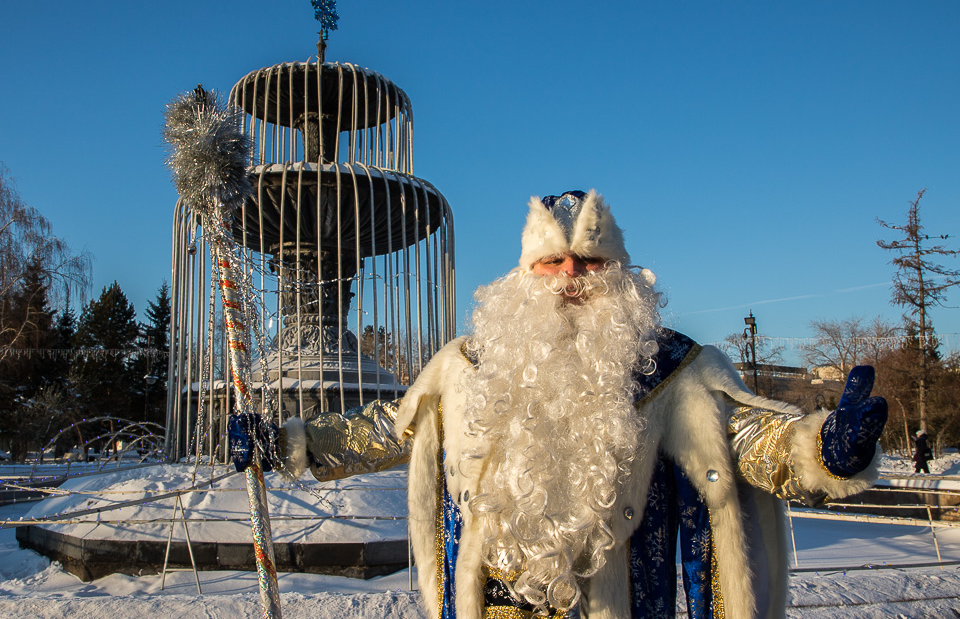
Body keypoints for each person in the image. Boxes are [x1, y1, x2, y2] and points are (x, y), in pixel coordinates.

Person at [233, 190, 887, 619]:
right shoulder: (467, 365)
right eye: (553, 262)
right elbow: (391, 428)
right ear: (525, 274)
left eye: (589, 262)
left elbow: (743, 437)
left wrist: (820, 447)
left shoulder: (669, 369)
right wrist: (292, 443)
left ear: (620, 274)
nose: (571, 277)